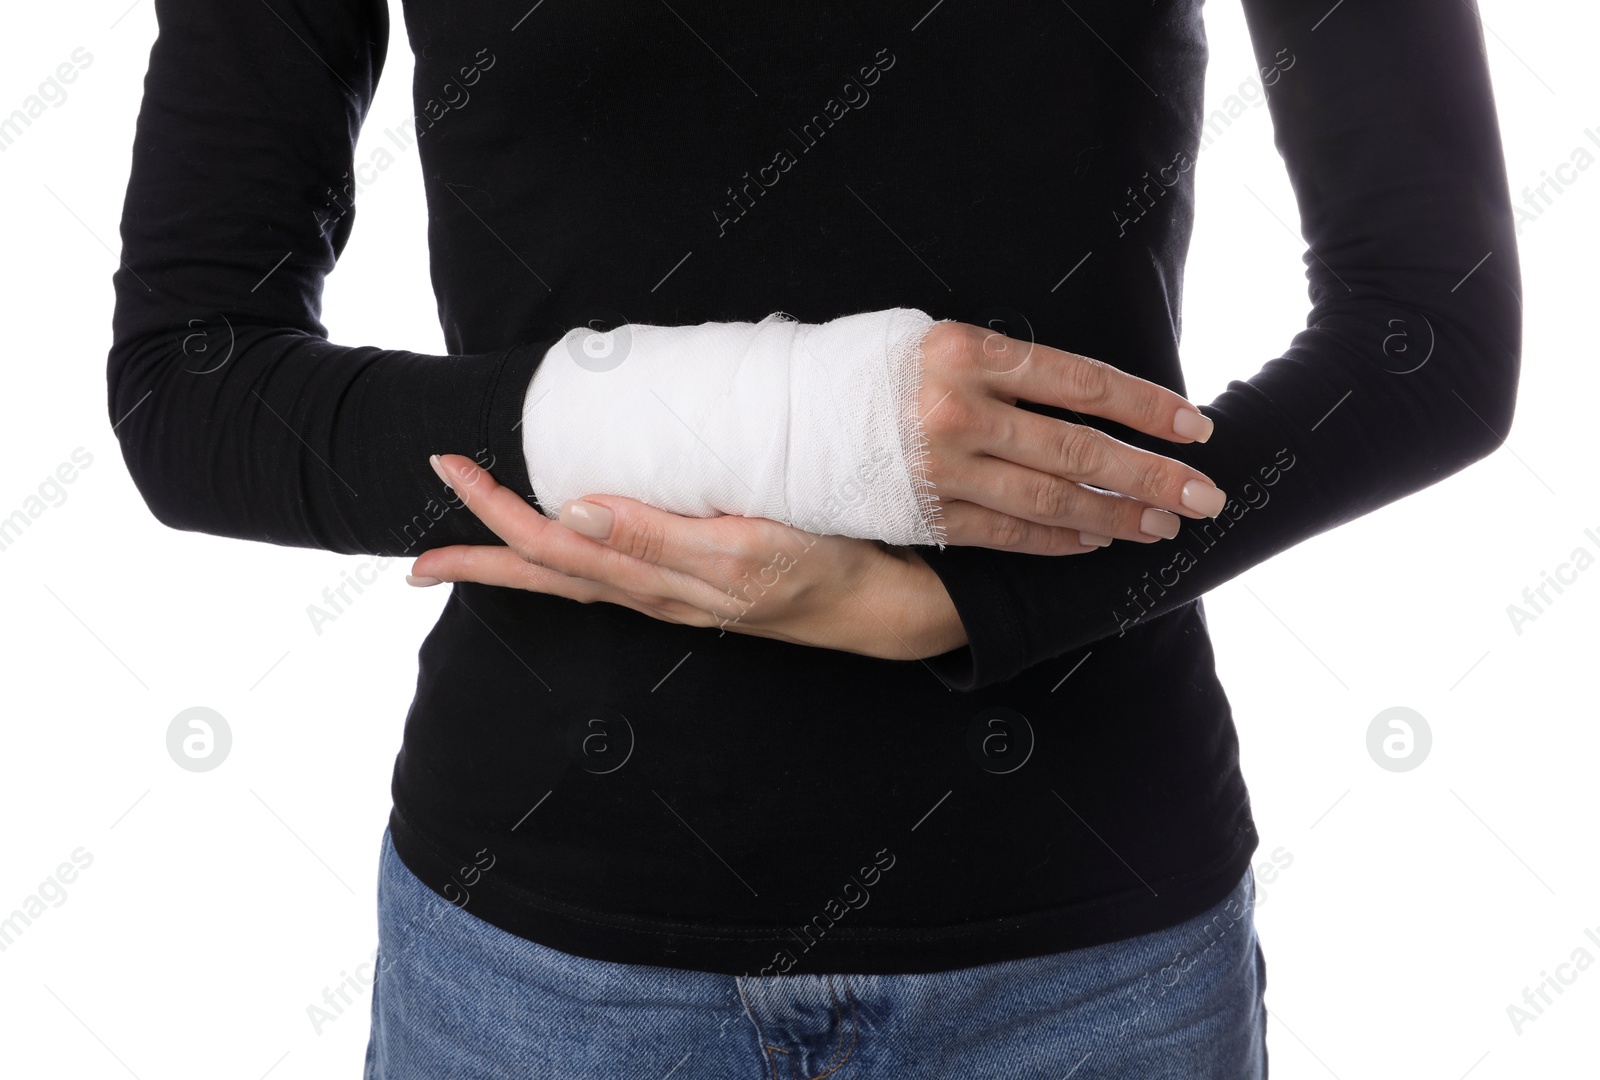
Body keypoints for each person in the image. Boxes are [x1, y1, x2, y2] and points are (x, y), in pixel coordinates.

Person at [107, 0, 1520, 1076]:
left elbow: (1430, 336)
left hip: (1085, 954)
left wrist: (955, 605)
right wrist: (807, 419)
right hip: (548, 958)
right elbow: (191, 384)